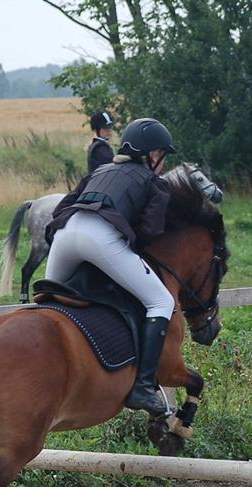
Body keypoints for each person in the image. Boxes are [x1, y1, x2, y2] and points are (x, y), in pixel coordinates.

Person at [45, 118, 177, 415]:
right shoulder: (155, 182)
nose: (162, 162)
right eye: (162, 156)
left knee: (48, 305)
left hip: (66, 235)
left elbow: (59, 209)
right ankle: (143, 388)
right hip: (101, 240)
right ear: (153, 155)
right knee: (161, 301)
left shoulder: (101, 170)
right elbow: (149, 234)